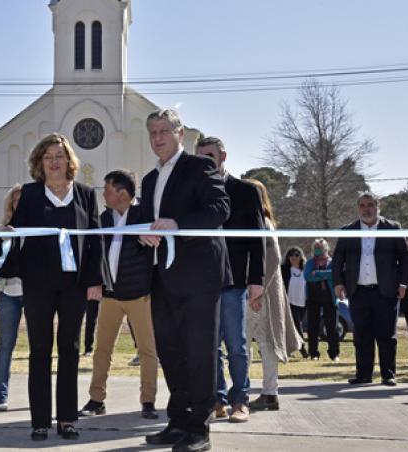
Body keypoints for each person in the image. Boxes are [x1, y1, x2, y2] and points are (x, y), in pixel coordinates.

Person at [0, 132, 103, 441]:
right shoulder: (29, 194)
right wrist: (8, 234)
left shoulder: (85, 194)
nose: (54, 162)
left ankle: (68, 419)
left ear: (69, 161)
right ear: (39, 163)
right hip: (38, 284)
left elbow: (95, 240)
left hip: (75, 285)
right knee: (40, 350)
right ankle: (40, 421)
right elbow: (18, 236)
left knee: (70, 349)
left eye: (59, 156)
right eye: (48, 157)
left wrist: (95, 281)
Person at [139, 109, 231, 452]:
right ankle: (177, 421)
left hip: (200, 275)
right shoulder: (149, 180)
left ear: (180, 135)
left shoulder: (199, 167)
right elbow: (149, 224)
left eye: (164, 130)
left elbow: (219, 209)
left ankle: (199, 428)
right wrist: (144, 235)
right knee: (171, 352)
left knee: (200, 351)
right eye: (152, 132)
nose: (158, 137)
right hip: (162, 277)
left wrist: (178, 224)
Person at [79, 169, 158, 420]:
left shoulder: (146, 215)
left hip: (140, 295)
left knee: (147, 351)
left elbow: (160, 245)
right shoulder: (102, 218)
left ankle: (148, 401)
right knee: (102, 349)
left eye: (108, 189)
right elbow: (94, 254)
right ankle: (96, 399)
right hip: (110, 296)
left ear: (122, 193)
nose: (103, 194)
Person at [195, 136, 264, 423]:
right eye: (199, 157)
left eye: (209, 155)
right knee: (210, 346)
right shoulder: (195, 191)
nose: (205, 161)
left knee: (236, 344)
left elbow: (257, 239)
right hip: (203, 280)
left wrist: (256, 279)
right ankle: (217, 399)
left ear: (223, 156)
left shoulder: (245, 191)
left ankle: (240, 400)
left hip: (235, 280)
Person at [332, 192, 408, 386]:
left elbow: (407, 257)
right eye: (362, 205)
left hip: (386, 291)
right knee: (361, 335)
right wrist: (338, 283)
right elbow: (337, 261)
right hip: (358, 291)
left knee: (387, 335)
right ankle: (363, 375)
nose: (366, 209)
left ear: (378, 206)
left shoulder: (392, 228)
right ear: (358, 208)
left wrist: (403, 284)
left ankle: (388, 374)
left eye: (370, 205)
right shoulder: (348, 230)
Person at [245, 180, 303, 411]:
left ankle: (260, 392)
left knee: (253, 344)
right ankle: (267, 392)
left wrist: (257, 290)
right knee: (259, 344)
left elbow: (272, 258)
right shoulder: (256, 223)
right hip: (260, 292)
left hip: (260, 294)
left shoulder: (264, 224)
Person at [0, 184, 23, 412]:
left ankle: (40, 396)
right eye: (15, 200)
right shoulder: (3, 229)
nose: (18, 203)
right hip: (8, 292)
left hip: (34, 292)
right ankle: (0, 396)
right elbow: (1, 262)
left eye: (22, 199)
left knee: (41, 345)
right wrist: (7, 237)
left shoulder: (39, 227)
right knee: (6, 345)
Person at [304, 238, 339, 361]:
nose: (318, 250)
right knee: (312, 326)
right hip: (313, 297)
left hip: (330, 297)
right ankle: (313, 353)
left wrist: (317, 273)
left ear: (326, 248)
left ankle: (334, 354)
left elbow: (334, 274)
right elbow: (307, 276)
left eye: (320, 248)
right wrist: (324, 274)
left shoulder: (332, 262)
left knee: (332, 327)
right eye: (316, 248)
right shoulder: (309, 263)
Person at [282, 247, 309, 358]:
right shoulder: (283, 270)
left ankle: (288, 350)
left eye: (297, 255)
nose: (294, 257)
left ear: (301, 257)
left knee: (293, 326)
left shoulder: (305, 270)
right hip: (289, 302)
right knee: (297, 326)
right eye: (291, 255)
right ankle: (303, 349)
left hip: (302, 302)